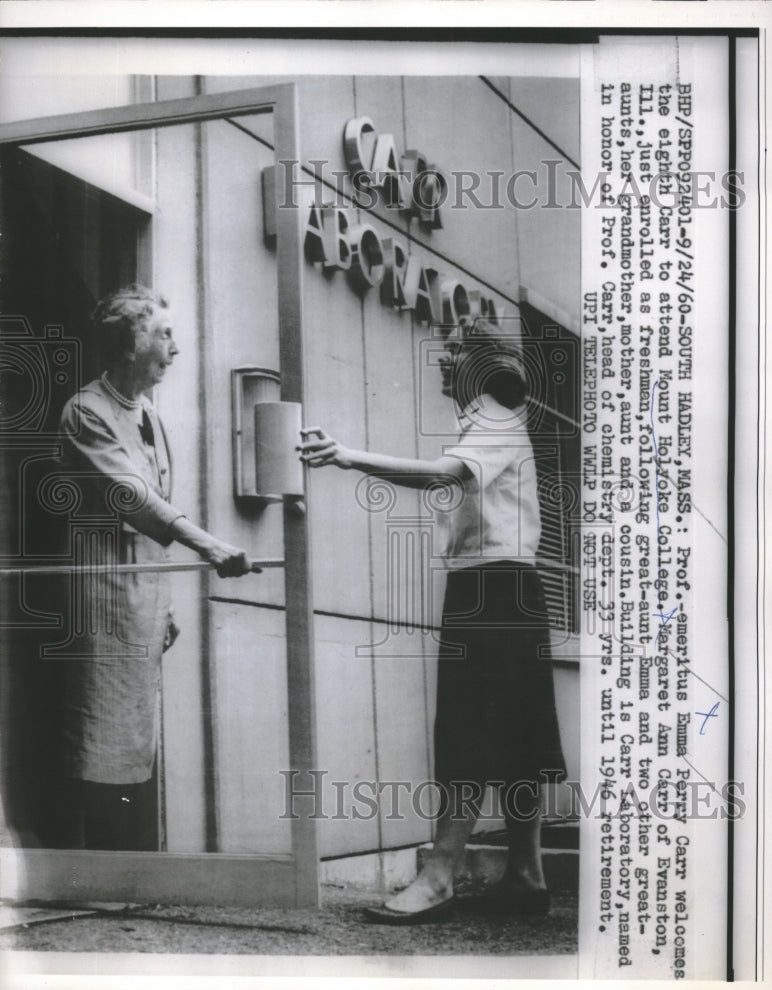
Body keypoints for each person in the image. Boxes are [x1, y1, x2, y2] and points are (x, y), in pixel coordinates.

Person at [299, 318, 567, 923]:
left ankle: (440, 875)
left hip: (491, 589)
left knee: (469, 729)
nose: (442, 366)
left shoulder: (496, 418)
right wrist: (349, 462)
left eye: (451, 357)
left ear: (479, 363)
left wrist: (346, 456)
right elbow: (436, 479)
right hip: (507, 589)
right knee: (517, 730)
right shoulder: (489, 424)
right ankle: (525, 876)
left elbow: (443, 476)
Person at [56, 284, 250, 850]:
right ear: (126, 343)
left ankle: (123, 869)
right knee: (96, 731)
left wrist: (163, 605)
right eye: (163, 334)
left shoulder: (150, 417)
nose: (175, 347)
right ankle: (86, 872)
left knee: (133, 732)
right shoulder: (86, 410)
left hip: (142, 598)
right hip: (103, 594)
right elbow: (134, 498)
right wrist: (209, 546)